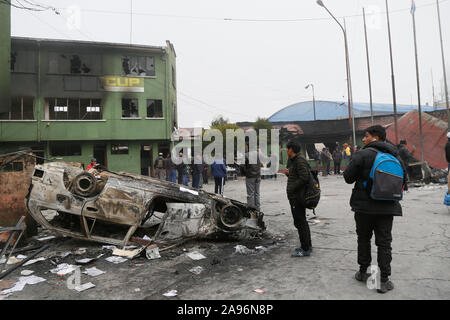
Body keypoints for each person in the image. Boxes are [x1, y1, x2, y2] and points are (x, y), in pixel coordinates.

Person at [343, 125, 407, 294]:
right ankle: (384, 280)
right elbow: (404, 182)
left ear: (375, 137)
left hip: (364, 207)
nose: (363, 139)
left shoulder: (362, 154)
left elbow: (348, 178)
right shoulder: (396, 156)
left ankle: (363, 272)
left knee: (364, 238)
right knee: (384, 242)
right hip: (387, 207)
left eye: (366, 136)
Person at [285, 140, 312, 257]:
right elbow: (299, 175)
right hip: (296, 195)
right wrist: (289, 174)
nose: (286, 151)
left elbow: (304, 177)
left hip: (298, 196)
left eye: (287, 149)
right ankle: (307, 245)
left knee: (300, 221)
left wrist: (291, 187)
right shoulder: (296, 160)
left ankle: (305, 248)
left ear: (291, 150)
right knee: (301, 221)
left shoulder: (299, 160)